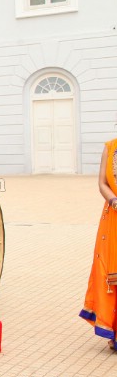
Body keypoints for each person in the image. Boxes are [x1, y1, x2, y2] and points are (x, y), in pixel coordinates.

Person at [80, 136, 117, 350]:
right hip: (113, 217)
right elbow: (102, 182)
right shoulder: (110, 148)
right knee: (111, 275)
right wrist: (113, 200)